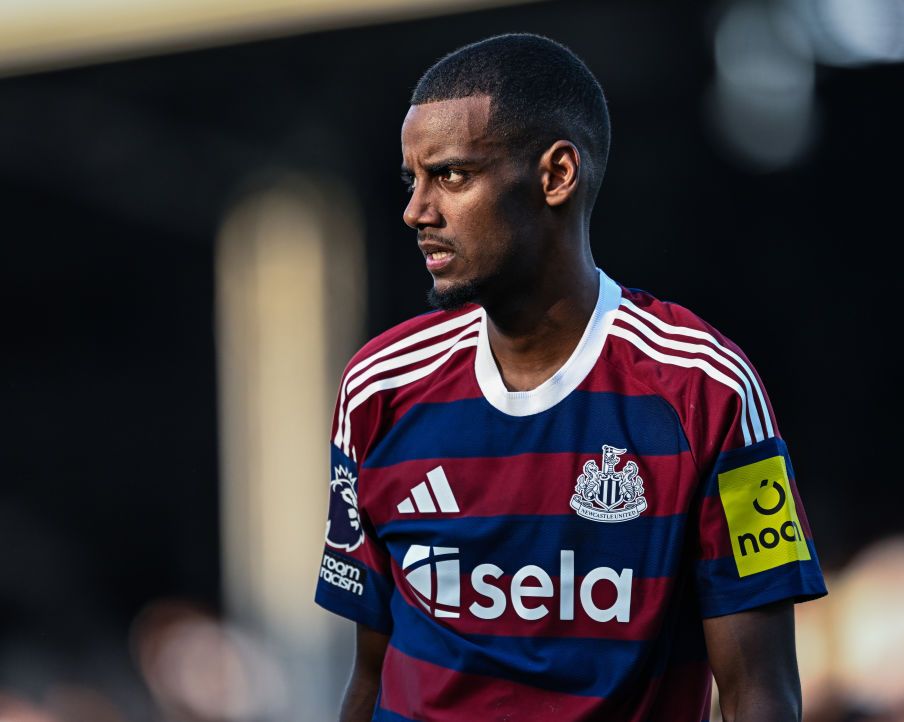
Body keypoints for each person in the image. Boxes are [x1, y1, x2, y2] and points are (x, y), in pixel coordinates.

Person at [314, 33, 826, 722]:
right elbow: (369, 676)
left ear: (557, 175)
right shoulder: (378, 389)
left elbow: (759, 690)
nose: (417, 210)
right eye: (414, 180)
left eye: (453, 176)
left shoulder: (709, 390)